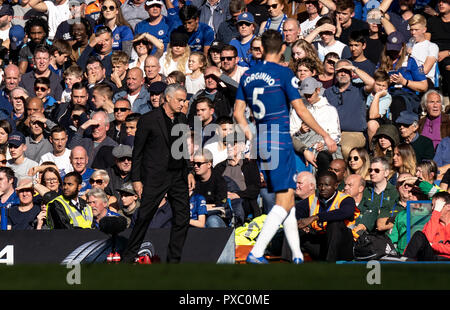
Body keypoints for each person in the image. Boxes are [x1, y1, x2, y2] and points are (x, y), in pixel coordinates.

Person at [233, 30, 337, 264]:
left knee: (287, 195)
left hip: (261, 139)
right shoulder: (283, 73)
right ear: (281, 49)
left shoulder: (247, 75)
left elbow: (238, 113)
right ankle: (256, 253)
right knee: (284, 202)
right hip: (279, 139)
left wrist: (250, 133)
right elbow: (300, 110)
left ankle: (297, 255)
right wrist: (325, 135)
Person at [121, 83, 195, 263]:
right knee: (144, 217)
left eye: (184, 100)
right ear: (168, 98)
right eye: (179, 100)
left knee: (182, 218)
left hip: (178, 175)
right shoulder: (148, 119)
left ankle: (173, 261)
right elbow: (137, 152)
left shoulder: (182, 119)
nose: (182, 103)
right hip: (155, 176)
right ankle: (128, 258)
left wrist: (189, 171)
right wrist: (136, 179)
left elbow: (183, 148)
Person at [295, 171, 358, 262]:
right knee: (294, 227)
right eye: (320, 185)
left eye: (327, 185)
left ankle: (330, 265)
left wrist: (315, 217)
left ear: (336, 186)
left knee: (335, 223)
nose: (323, 188)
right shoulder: (313, 199)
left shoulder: (346, 199)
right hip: (321, 244)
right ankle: (287, 263)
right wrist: (301, 224)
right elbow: (294, 212)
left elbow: (346, 212)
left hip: (343, 246)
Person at [324, 59, 374, 159]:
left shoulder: (358, 89)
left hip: (355, 134)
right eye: (340, 71)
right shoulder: (328, 92)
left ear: (351, 73)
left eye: (346, 71)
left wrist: (353, 68)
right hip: (333, 133)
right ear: (335, 73)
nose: (343, 74)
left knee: (345, 149)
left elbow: (371, 83)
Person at [215, 132, 261, 226]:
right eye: (227, 143)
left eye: (232, 143)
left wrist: (237, 195)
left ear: (243, 146)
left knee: (239, 205)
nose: (228, 146)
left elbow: (255, 189)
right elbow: (213, 187)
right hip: (224, 204)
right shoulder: (219, 167)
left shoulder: (249, 165)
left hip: (244, 202)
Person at [403, 191, 450, 260]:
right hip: (432, 257)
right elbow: (427, 240)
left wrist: (433, 245)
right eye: (432, 205)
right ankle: (404, 263)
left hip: (447, 260)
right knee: (419, 235)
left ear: (448, 207)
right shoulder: (432, 223)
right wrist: (436, 213)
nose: (433, 209)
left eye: (437, 206)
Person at [192, 149, 228, 228]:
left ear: (209, 164)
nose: (195, 166)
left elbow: (220, 204)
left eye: (198, 164)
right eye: (194, 163)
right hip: (196, 216)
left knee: (212, 221)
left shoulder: (219, 181)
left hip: (215, 216)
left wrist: (201, 207)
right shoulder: (193, 179)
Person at [344, 173, 378, 237]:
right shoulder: (338, 202)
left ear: (361, 188)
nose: (345, 188)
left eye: (350, 185)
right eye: (345, 185)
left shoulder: (369, 206)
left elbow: (361, 228)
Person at [366, 70, 392, 143]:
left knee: (372, 124)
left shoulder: (387, 97)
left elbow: (373, 115)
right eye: (378, 84)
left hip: (379, 122)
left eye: (384, 86)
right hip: (362, 117)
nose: (381, 88)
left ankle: (372, 150)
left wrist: (377, 96)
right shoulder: (367, 90)